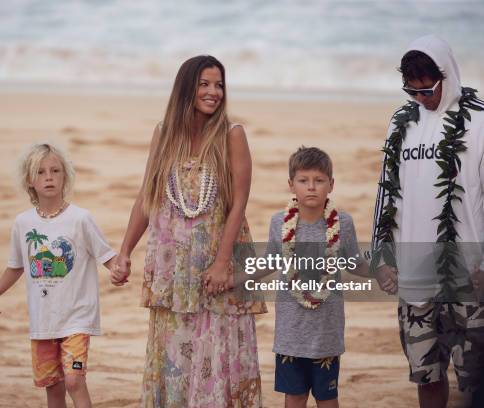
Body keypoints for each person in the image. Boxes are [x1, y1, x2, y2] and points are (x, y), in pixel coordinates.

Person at [112, 55, 267, 407]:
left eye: (219, 85)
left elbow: (239, 202)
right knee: (175, 361)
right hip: (173, 272)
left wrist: (223, 262)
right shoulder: (164, 134)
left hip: (217, 268)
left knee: (217, 358)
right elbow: (146, 197)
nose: (214, 92)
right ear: (186, 88)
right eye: (205, 84)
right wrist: (124, 252)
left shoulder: (232, 135)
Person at [371, 34, 484, 408]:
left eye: (428, 89)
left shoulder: (480, 121)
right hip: (414, 274)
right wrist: (380, 257)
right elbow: (386, 193)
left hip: (469, 275)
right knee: (426, 373)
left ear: (447, 75)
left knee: (474, 381)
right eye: (411, 90)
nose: (421, 97)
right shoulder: (401, 123)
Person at [0, 143, 119, 408]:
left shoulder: (81, 218)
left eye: (55, 171)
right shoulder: (23, 223)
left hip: (76, 319)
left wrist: (117, 269)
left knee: (74, 381)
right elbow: (15, 266)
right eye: (41, 172)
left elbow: (107, 255)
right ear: (29, 181)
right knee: (53, 388)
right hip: (42, 321)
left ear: (65, 176)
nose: (49, 177)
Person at [266, 147, 368, 408]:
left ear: (331, 185)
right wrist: (235, 278)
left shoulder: (342, 223)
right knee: (295, 397)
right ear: (291, 185)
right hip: (291, 332)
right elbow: (269, 262)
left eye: (319, 180)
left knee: (327, 397)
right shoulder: (279, 222)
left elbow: (354, 263)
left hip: (326, 332)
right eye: (303, 180)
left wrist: (381, 270)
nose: (311, 187)